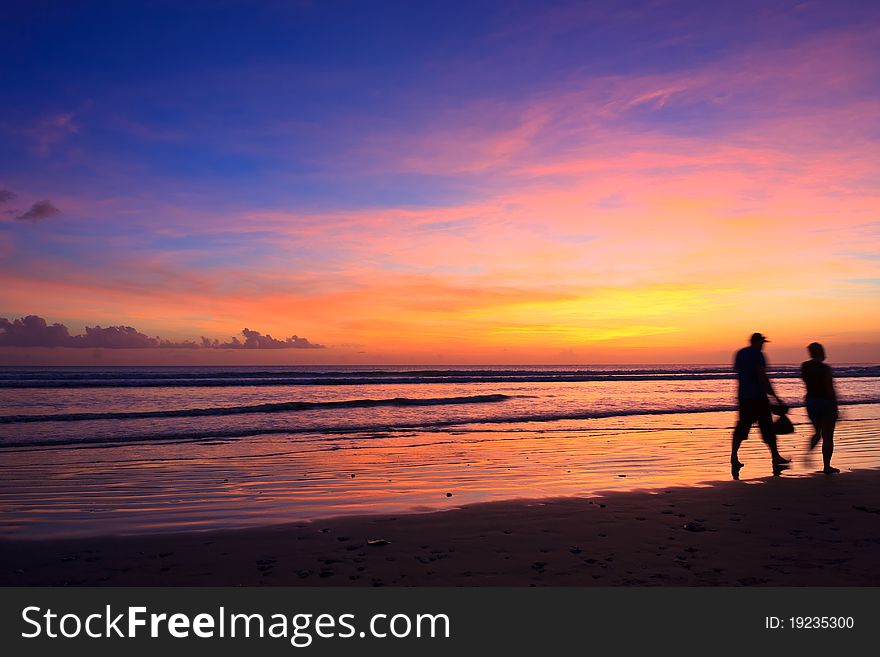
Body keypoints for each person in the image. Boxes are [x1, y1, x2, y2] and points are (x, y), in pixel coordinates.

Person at [730, 332, 790, 479]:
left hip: (743, 396)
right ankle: (775, 457)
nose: (763, 344)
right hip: (758, 397)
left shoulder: (739, 354)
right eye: (762, 342)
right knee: (767, 427)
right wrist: (775, 396)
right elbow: (762, 376)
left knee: (742, 427)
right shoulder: (758, 354)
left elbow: (740, 374)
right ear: (757, 342)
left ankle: (734, 457)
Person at [801, 342, 839, 474]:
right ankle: (827, 466)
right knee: (828, 436)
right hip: (825, 402)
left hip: (811, 402)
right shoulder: (825, 369)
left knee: (817, 432)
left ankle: (807, 454)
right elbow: (829, 388)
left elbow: (806, 382)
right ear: (821, 353)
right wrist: (836, 406)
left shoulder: (805, 367)